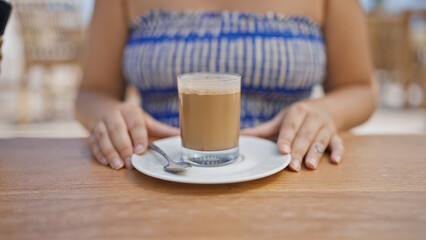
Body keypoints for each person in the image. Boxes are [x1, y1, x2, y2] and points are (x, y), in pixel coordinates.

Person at [76, 0, 378, 172]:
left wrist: (325, 112)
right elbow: (92, 92)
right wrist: (110, 115)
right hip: (156, 173)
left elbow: (360, 86)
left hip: (293, 172)